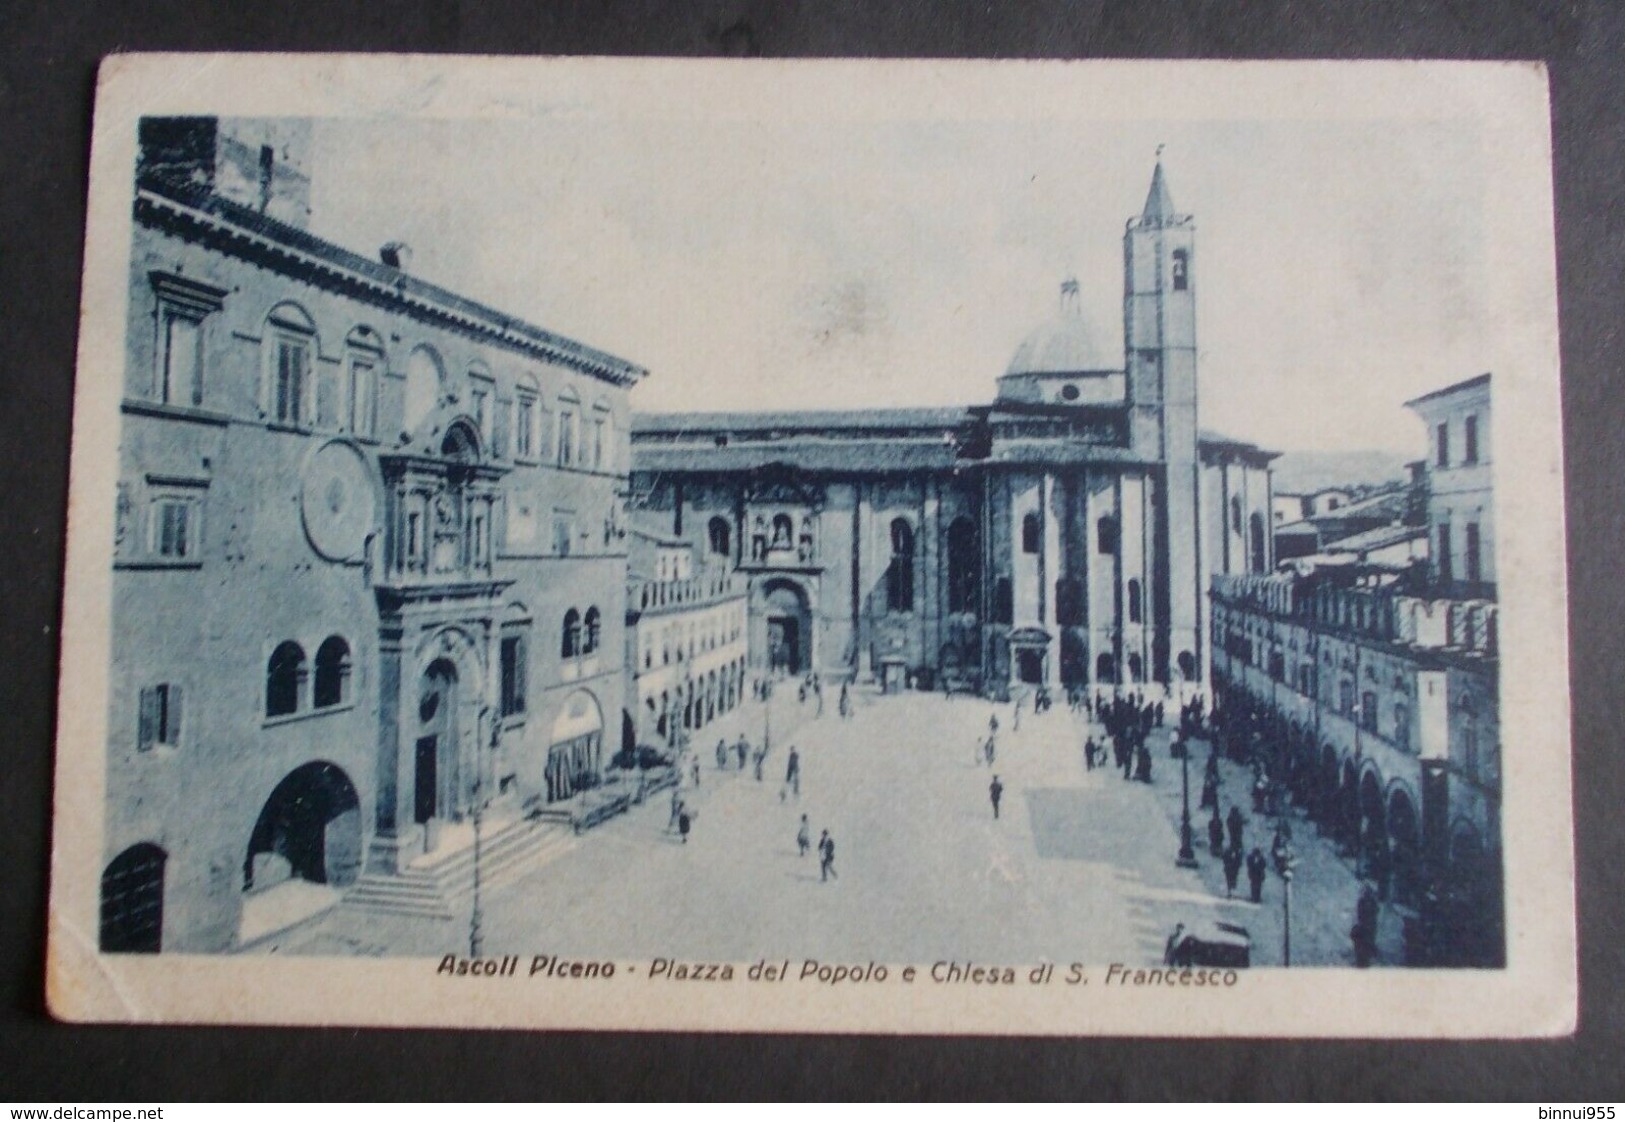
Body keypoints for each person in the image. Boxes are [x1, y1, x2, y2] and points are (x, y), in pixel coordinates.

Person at [1352, 883, 1380, 968]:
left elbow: (1374, 911)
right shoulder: (1367, 901)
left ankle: (1366, 955)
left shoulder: (1366, 901)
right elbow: (1375, 911)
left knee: (1366, 941)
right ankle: (1366, 955)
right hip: (1367, 925)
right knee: (1366, 941)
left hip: (1368, 925)